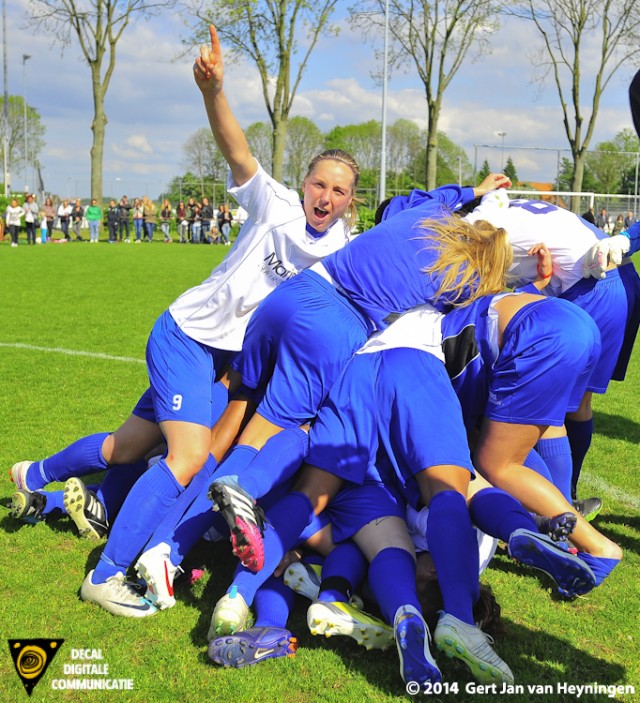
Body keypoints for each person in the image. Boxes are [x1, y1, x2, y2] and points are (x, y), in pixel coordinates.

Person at [10, 23, 361, 617]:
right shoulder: (273, 204)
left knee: (127, 448)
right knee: (190, 457)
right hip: (187, 338)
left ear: (352, 200)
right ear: (303, 184)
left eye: (340, 190)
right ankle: (108, 574)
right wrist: (213, 91)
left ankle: (32, 474)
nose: (325, 197)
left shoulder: (344, 250)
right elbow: (237, 150)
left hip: (228, 365)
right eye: (319, 183)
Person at [463, 190, 640, 503]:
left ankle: (553, 508)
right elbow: (497, 194)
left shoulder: (471, 226)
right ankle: (564, 499)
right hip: (621, 276)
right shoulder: (499, 204)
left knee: (546, 411)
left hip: (591, 285)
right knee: (575, 405)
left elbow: (478, 294)